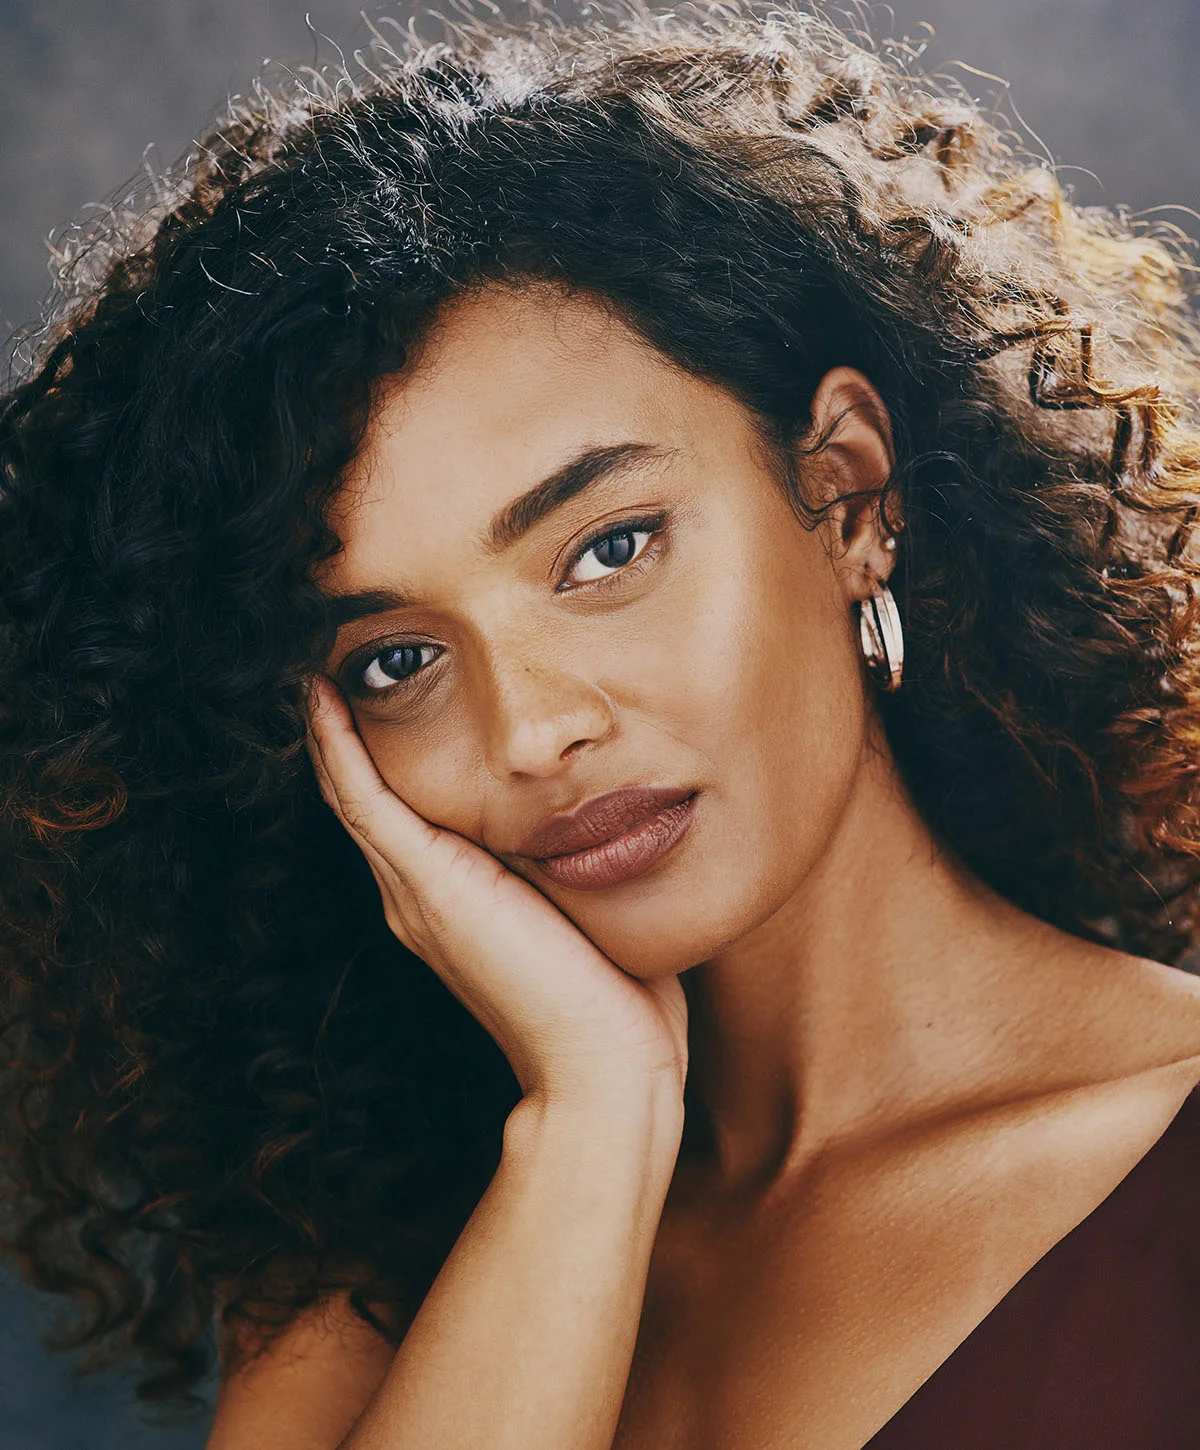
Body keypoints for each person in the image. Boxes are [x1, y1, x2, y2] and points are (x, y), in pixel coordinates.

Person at [3, 3, 1200, 1446]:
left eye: (609, 549)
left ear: (849, 493)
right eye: (394, 660)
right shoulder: (368, 1282)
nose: (533, 731)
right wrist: (590, 1123)